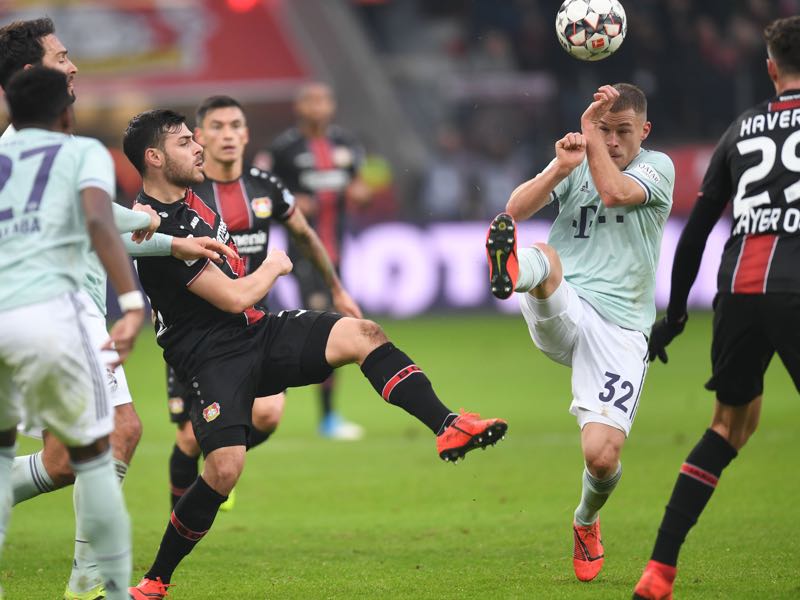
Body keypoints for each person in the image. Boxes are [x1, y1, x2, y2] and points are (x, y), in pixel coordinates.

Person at [123, 109, 507, 599]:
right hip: (211, 357)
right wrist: (276, 267)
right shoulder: (155, 228)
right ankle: (156, 580)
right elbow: (237, 296)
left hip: (256, 332)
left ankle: (447, 425)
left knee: (362, 333)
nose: (198, 146)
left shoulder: (191, 195)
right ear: (154, 158)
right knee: (224, 470)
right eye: (184, 142)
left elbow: (271, 250)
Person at [0, 18, 235, 600]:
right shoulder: (57, 149)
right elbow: (100, 216)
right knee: (119, 432)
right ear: (33, 74)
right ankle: (90, 586)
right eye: (62, 58)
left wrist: (173, 242)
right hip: (61, 312)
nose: (74, 66)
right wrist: (146, 229)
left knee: (60, 460)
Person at [633, 16, 800, 600]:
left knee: (729, 427)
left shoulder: (741, 128)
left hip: (740, 289)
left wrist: (676, 314)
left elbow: (697, 231)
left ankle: (659, 570)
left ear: (771, 67)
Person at [486, 83, 674, 583]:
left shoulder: (658, 167)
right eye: (604, 130)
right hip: (564, 306)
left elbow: (615, 190)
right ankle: (510, 271)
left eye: (622, 132)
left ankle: (586, 520)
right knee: (546, 259)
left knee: (602, 454)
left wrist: (589, 138)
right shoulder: (580, 165)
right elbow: (514, 210)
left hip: (621, 329)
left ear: (644, 132)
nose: (611, 141)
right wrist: (559, 169)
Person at [166, 95, 363, 512]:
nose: (228, 135)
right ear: (199, 136)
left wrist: (338, 289)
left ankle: (220, 468)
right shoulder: (186, 192)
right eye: (217, 127)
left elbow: (306, 236)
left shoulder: (264, 185)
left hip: (252, 321)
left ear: (246, 134)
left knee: (269, 414)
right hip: (194, 330)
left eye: (235, 126)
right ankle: (185, 512)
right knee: (187, 438)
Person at [0, 66, 142, 600]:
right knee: (98, 452)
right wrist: (130, 301)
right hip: (52, 314)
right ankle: (106, 588)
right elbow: (100, 222)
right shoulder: (80, 154)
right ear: (65, 113)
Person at [255, 81, 371, 440]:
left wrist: (360, 192)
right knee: (323, 325)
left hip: (335, 252)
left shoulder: (346, 145)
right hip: (299, 254)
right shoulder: (284, 148)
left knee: (318, 328)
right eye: (312, 100)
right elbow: (261, 193)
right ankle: (313, 412)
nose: (319, 107)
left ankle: (309, 409)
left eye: (325, 100)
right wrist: (288, 203)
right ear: (300, 107)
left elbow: (359, 187)